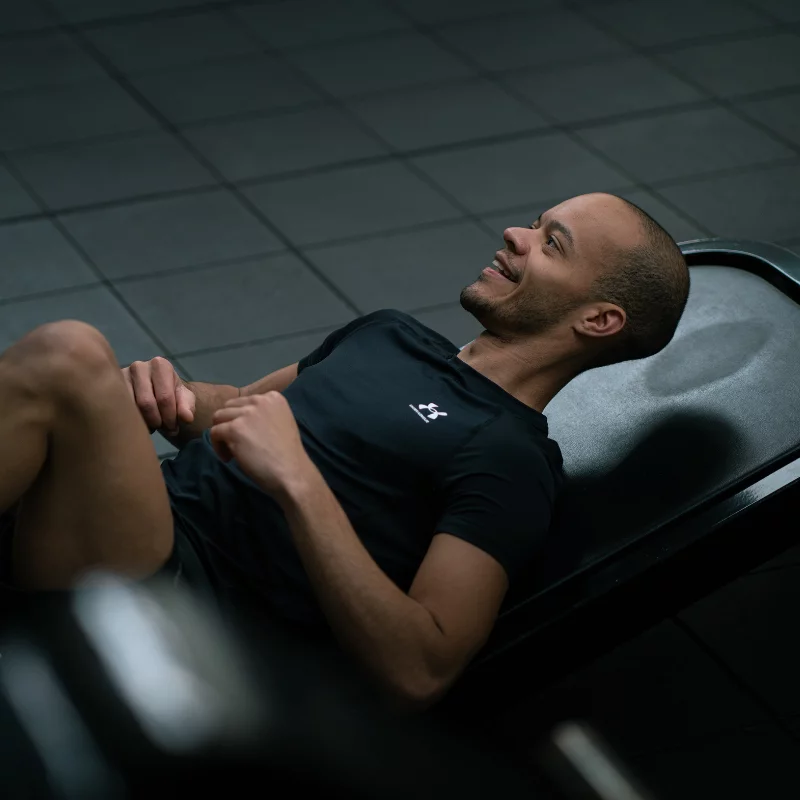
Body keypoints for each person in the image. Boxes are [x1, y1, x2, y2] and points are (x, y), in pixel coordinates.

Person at [0, 192, 689, 712]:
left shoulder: (511, 462)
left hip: (181, 605)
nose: (516, 233)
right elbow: (240, 409)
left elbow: (424, 663)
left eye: (552, 242)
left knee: (68, 353)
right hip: (146, 519)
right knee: (77, 372)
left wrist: (299, 481)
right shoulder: (389, 335)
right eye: (535, 223)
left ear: (597, 320)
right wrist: (170, 396)